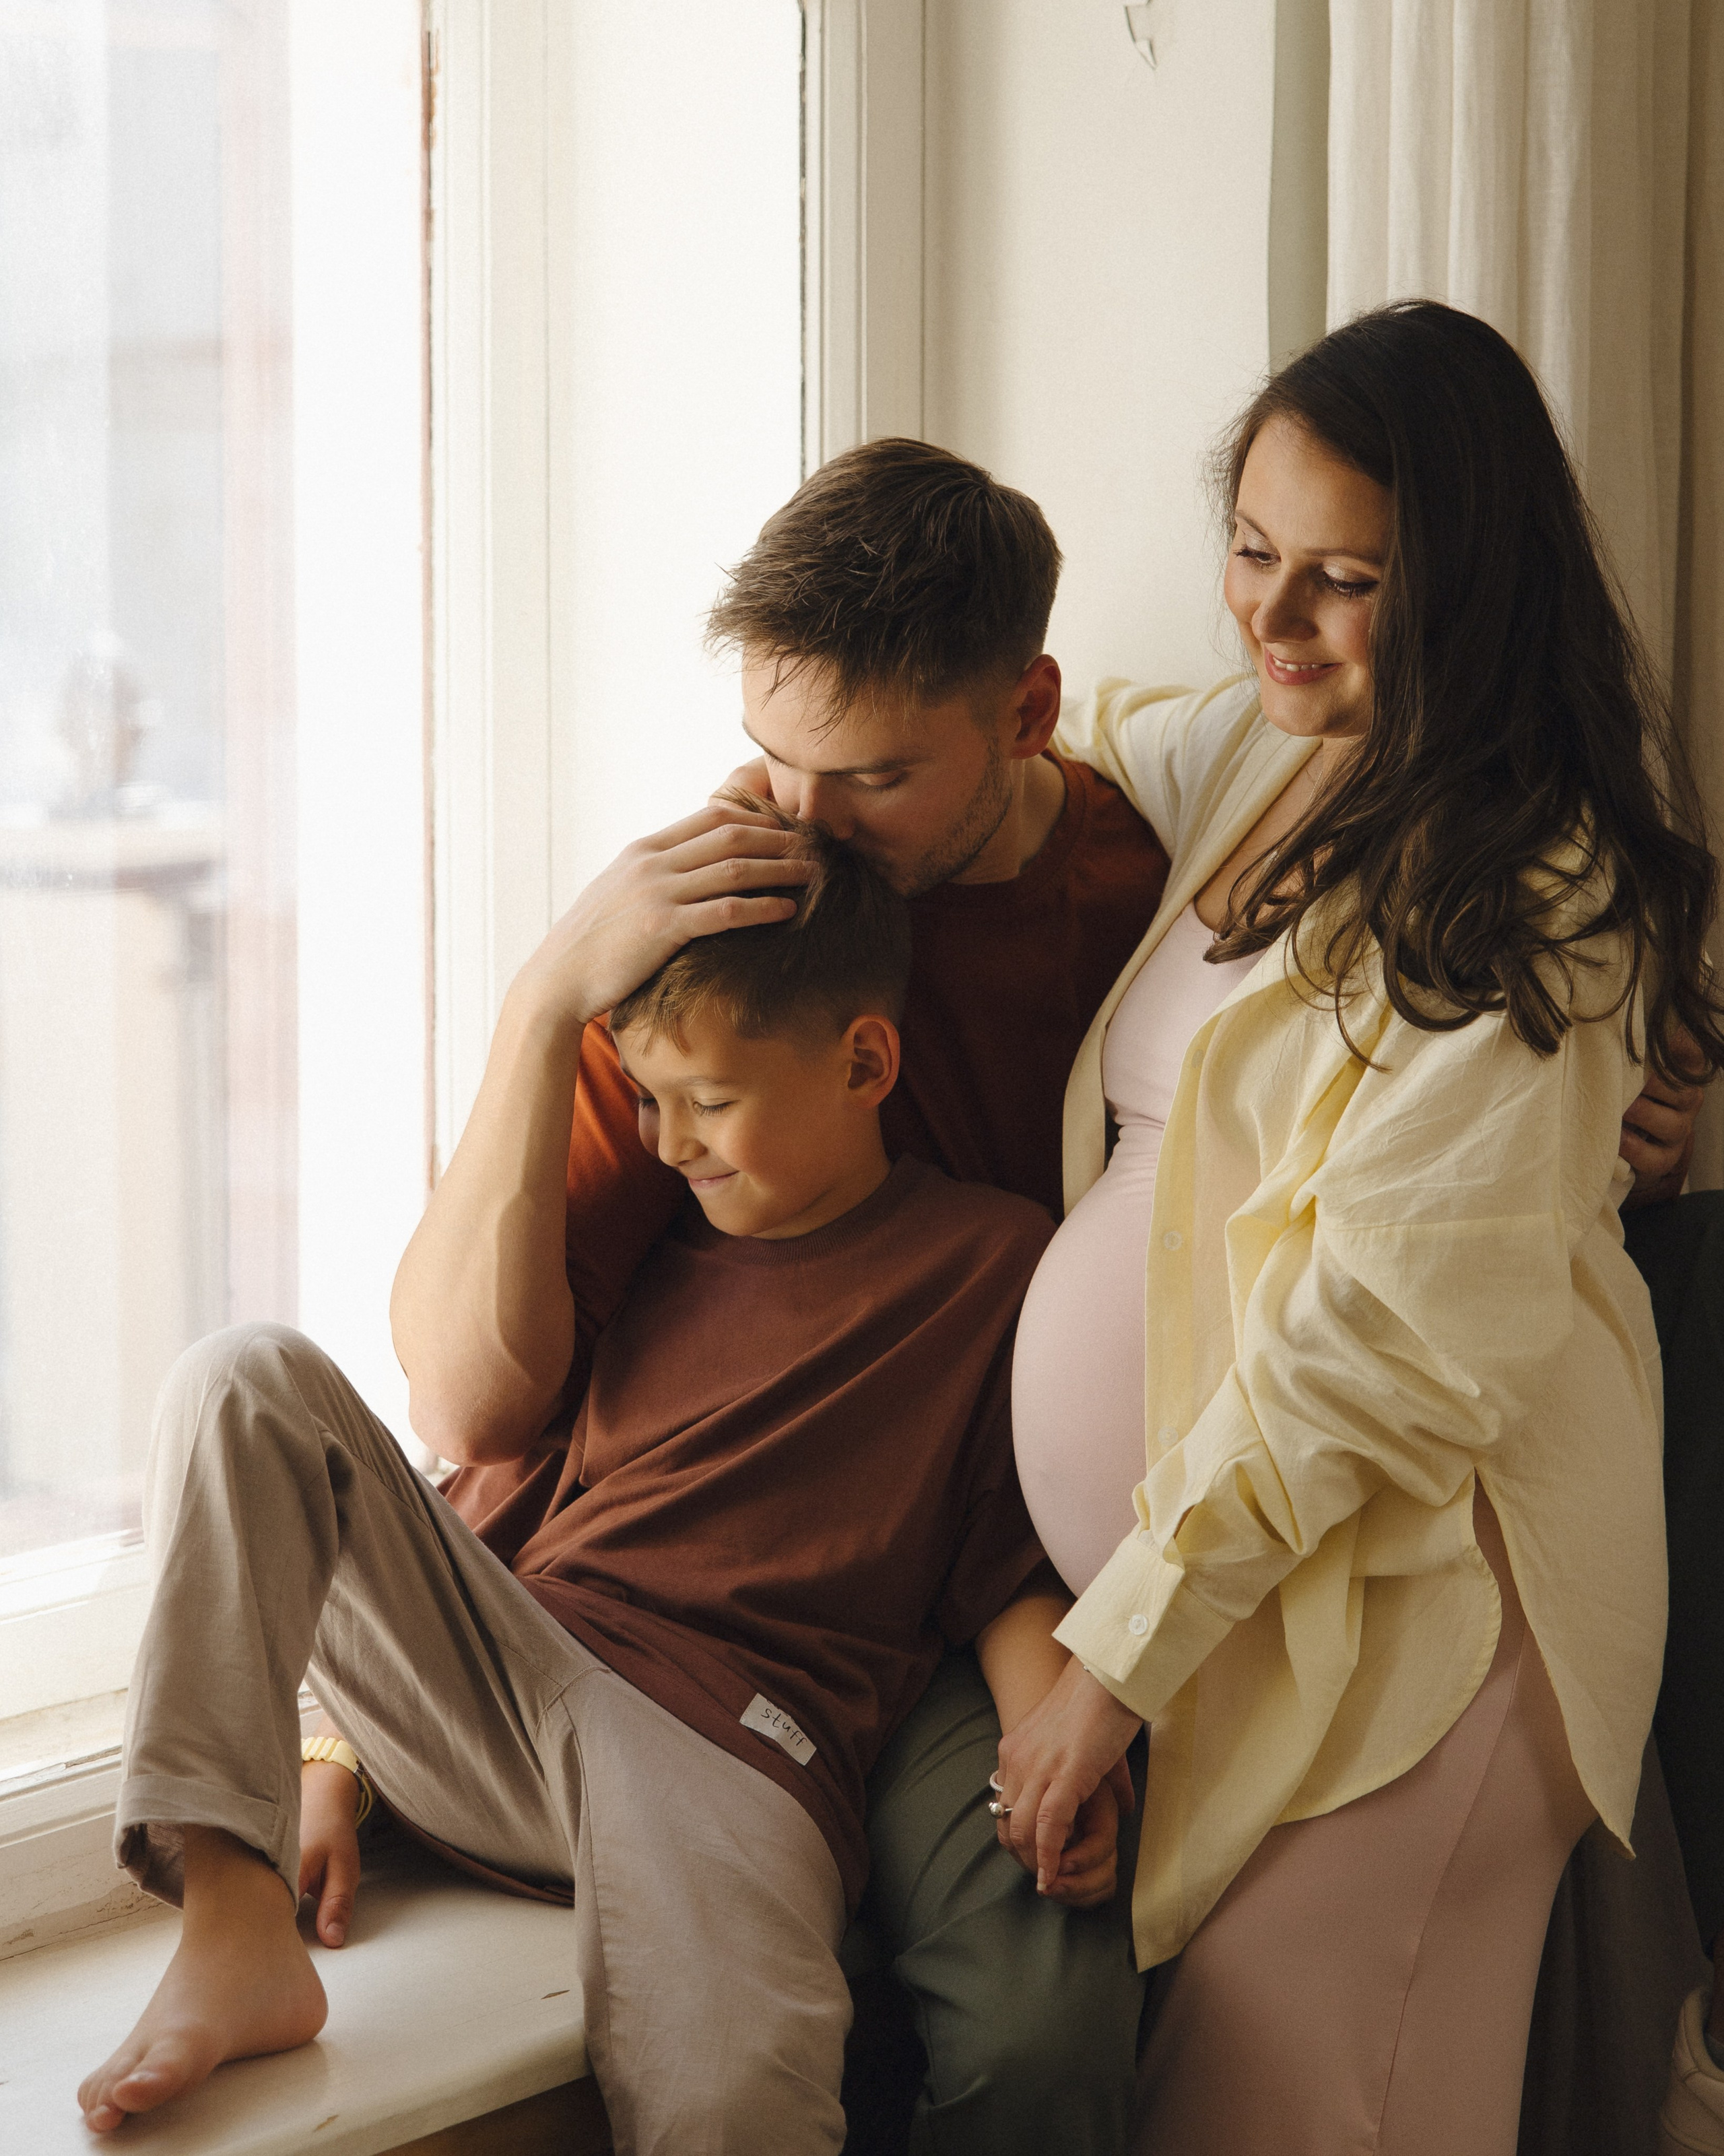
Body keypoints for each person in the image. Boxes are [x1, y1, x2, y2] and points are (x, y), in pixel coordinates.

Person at [75, 816, 1108, 2155]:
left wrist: (1056, 1759)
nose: (672, 1140)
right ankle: (229, 1915)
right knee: (241, 1373)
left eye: (712, 1100)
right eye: (646, 1098)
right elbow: (469, 1499)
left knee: (737, 2100)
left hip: (729, 1746)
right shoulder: (641, 1247)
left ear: (862, 1061)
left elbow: (1005, 1565)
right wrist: (332, 1751)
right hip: (520, 1677)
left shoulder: (989, 1267)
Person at [989, 298, 1724, 2154]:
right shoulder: (1278, 749)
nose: (1271, 617)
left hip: (1436, 1619)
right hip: (1283, 1605)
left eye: (1344, 579)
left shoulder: (1535, 883)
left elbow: (1383, 1349)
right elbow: (1113, 720)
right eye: (1249, 551)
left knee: (1325, 2106)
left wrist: (1117, 1658)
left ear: (1469, 583)